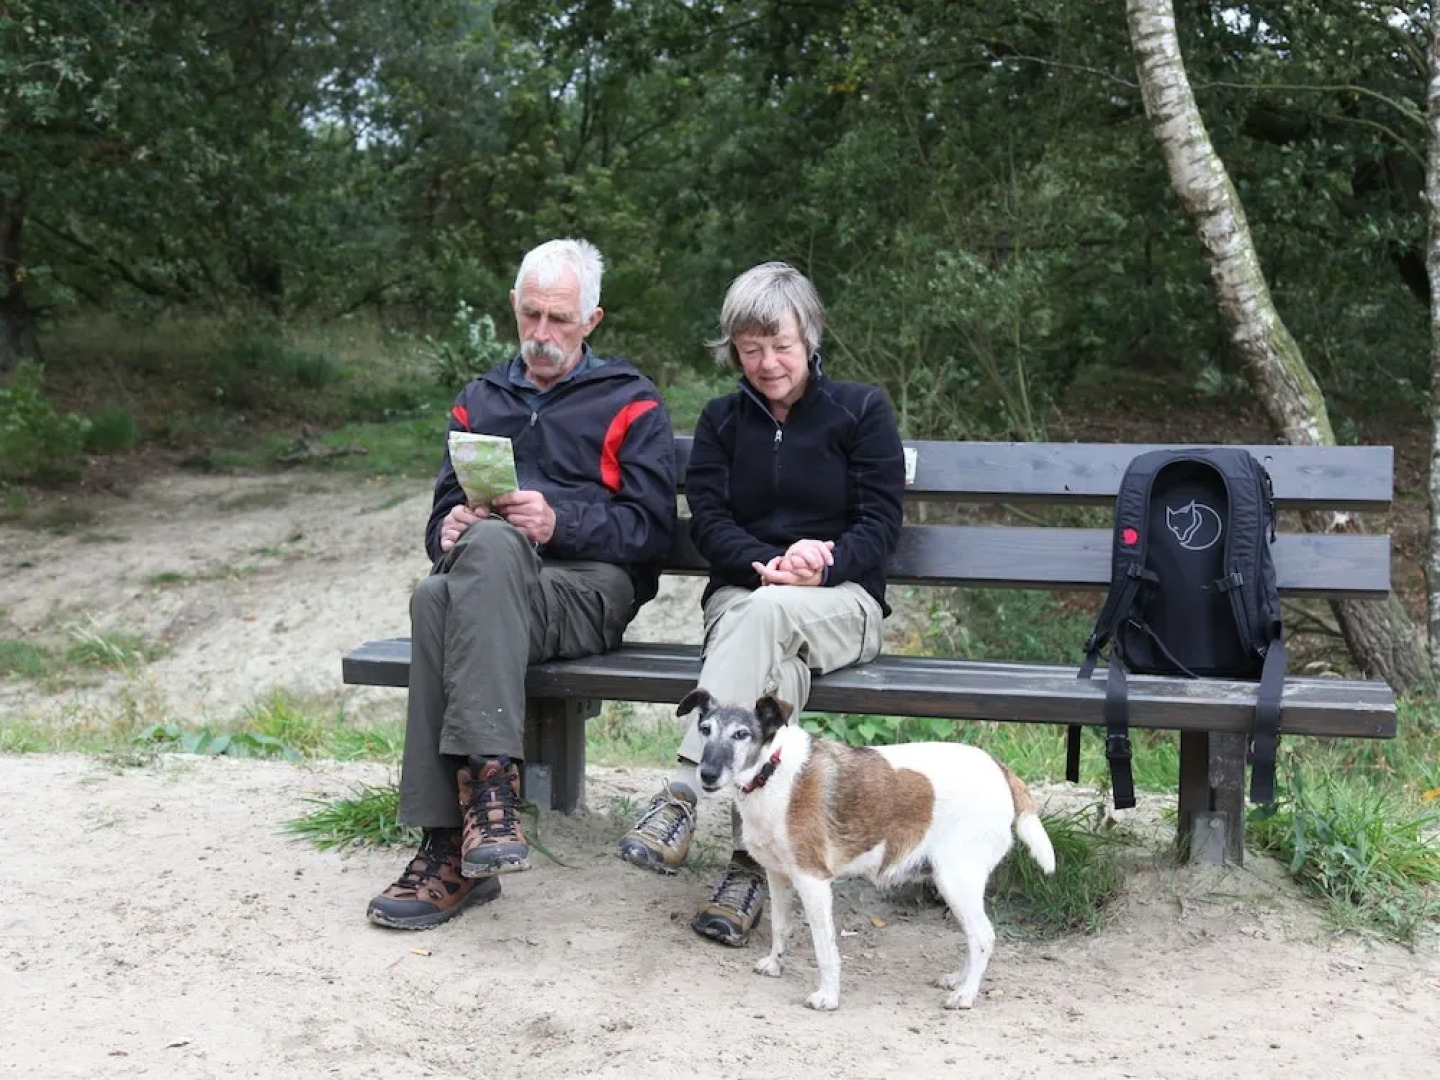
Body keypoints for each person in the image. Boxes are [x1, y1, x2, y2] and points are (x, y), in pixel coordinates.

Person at [368, 238, 677, 930]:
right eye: (530, 315)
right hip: (491, 592)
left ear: (592, 320)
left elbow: (652, 532)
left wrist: (558, 522)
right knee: (436, 590)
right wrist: (445, 529)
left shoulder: (632, 402)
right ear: (513, 306)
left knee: (450, 591)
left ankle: (453, 839)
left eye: (559, 320)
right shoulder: (479, 399)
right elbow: (438, 523)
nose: (541, 334)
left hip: (586, 594)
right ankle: (481, 817)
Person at [616, 261, 905, 946]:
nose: (768, 363)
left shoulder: (861, 412)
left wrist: (821, 558)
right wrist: (762, 564)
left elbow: (880, 523)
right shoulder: (721, 421)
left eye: (781, 345)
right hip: (742, 600)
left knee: (768, 615)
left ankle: (686, 789)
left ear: (810, 334)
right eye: (751, 350)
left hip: (842, 604)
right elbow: (709, 519)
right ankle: (751, 869)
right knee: (774, 672)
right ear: (733, 350)